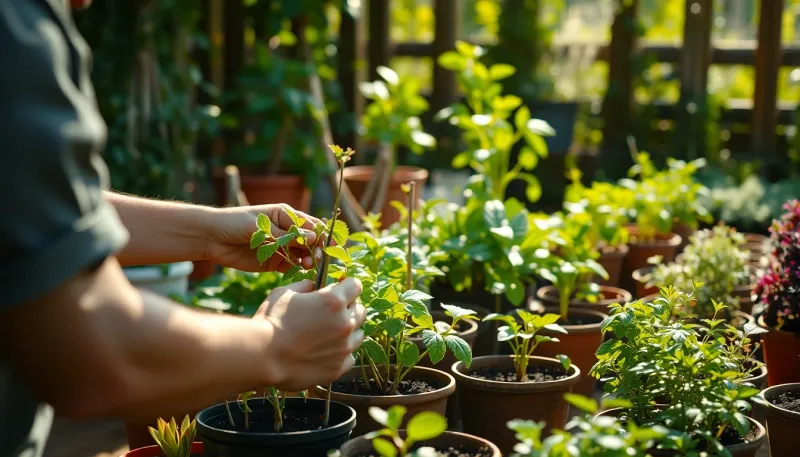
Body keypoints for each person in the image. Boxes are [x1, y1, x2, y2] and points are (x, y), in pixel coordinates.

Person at [0, 1, 366, 456]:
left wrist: (207, 233)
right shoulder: (14, 29)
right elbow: (95, 348)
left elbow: (27, 208)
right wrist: (277, 346)